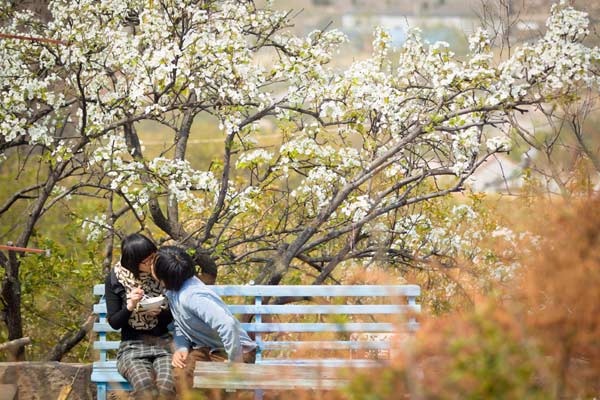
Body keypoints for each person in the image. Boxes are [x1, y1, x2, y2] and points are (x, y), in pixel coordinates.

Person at [151, 246, 257, 395]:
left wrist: (235, 362)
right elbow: (181, 323)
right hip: (206, 348)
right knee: (180, 374)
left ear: (164, 275)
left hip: (235, 351)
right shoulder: (174, 289)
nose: (151, 266)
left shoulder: (193, 296)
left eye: (153, 264)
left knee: (216, 386)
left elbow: (228, 324)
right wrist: (182, 347)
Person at [105, 233, 175, 400]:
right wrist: (129, 307)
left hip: (162, 344)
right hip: (131, 347)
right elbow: (114, 322)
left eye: (154, 257)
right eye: (147, 260)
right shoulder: (116, 279)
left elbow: (176, 314)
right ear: (134, 263)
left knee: (166, 387)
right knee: (145, 387)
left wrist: (160, 313)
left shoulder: (162, 274)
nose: (153, 263)